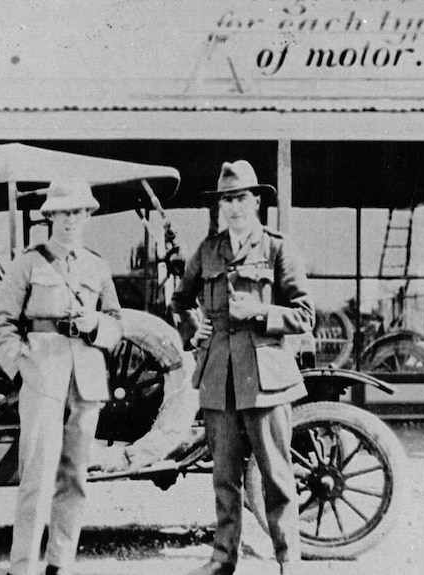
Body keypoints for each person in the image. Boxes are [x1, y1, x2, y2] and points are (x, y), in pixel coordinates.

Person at [169, 160, 315, 575]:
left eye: (240, 199)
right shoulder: (208, 250)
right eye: (226, 200)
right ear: (220, 207)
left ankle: (289, 559)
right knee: (223, 477)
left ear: (256, 202)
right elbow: (180, 301)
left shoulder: (278, 248)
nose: (233, 207)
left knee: (277, 475)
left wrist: (261, 311)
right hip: (219, 378)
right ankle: (222, 557)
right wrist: (193, 331)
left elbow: (306, 314)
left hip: (266, 379)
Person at [0, 180, 123, 575]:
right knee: (37, 477)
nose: (71, 220)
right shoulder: (28, 263)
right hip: (43, 376)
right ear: (50, 216)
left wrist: (95, 323)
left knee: (75, 476)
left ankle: (59, 563)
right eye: (63, 212)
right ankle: (22, 566)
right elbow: (0, 323)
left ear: (88, 216)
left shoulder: (97, 265)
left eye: (78, 212)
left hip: (87, 378)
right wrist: (22, 366)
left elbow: (116, 324)